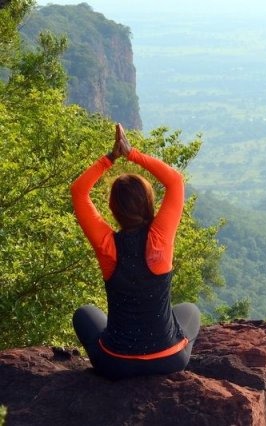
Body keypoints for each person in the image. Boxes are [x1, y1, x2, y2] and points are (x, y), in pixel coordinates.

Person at [70, 123, 200, 380]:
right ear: (149, 204)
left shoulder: (108, 246)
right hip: (169, 359)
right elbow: (175, 181)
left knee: (84, 314)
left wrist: (110, 158)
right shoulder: (159, 239)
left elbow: (78, 191)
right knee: (191, 311)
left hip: (115, 364)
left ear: (113, 208)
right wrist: (131, 153)